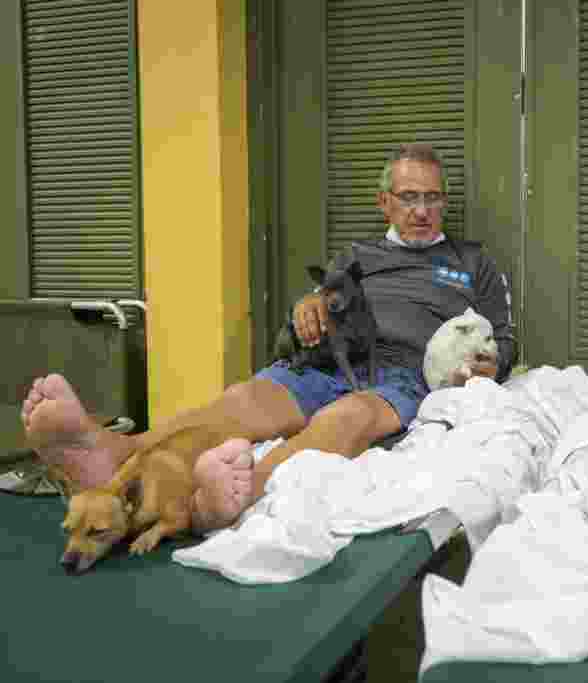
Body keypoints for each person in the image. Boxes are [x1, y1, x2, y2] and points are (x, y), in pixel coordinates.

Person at [21, 143, 516, 531]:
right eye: (409, 197)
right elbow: (302, 326)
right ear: (385, 202)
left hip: (400, 379)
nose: (422, 210)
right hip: (328, 362)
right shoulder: (356, 257)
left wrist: (496, 365)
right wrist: (305, 310)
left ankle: (234, 494)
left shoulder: (473, 263)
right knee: (244, 399)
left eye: (432, 197)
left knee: (347, 417)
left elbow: (507, 337)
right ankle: (115, 451)